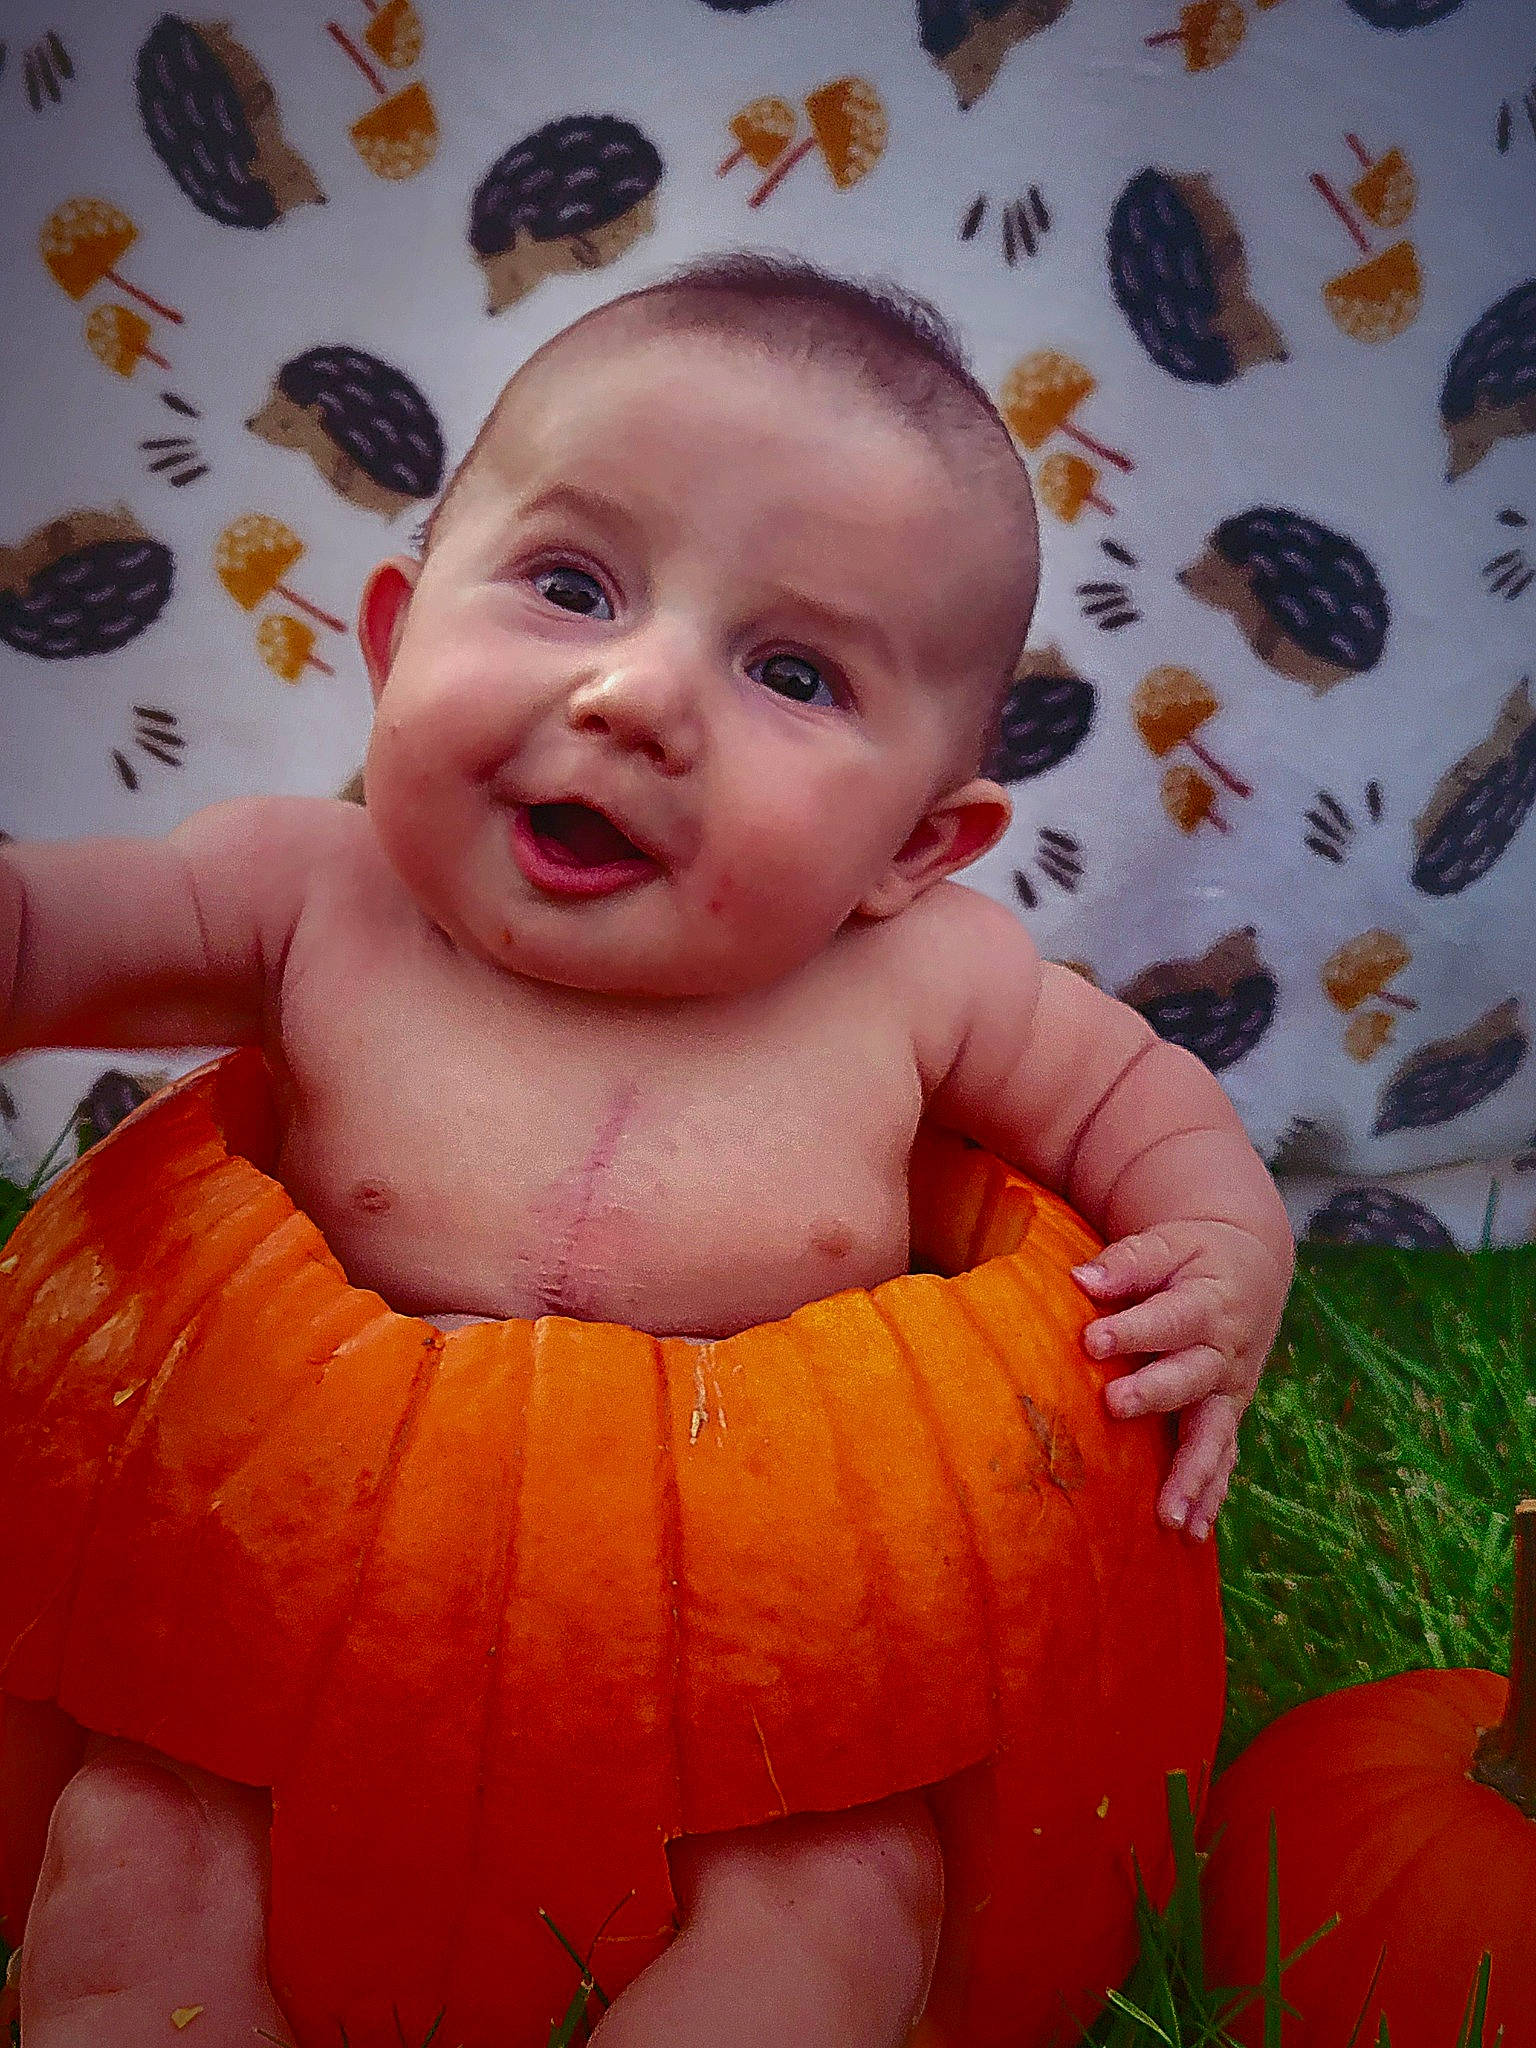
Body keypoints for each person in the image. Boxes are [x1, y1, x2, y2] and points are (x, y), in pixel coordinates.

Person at [0, 252, 1294, 2048]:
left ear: (919, 845)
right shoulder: (307, 893)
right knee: (141, 1840)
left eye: (790, 670)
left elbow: (1141, 1104)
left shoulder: (924, 981)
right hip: (281, 1612)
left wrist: (1230, 1251)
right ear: (393, 637)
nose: (637, 694)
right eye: (570, 582)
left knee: (848, 1894)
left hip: (774, 1691)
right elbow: (41, 935)